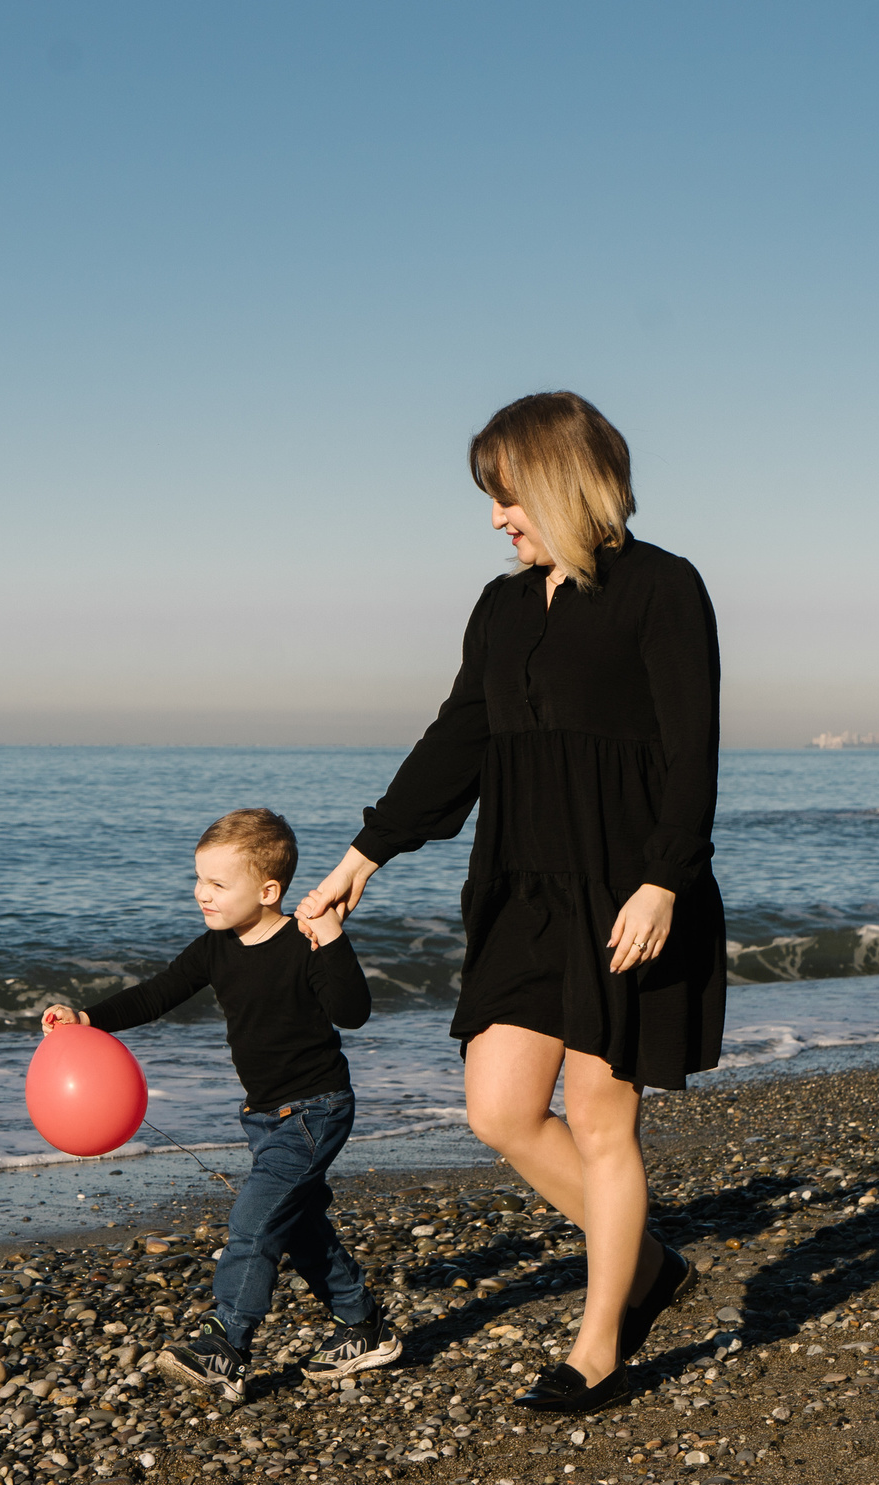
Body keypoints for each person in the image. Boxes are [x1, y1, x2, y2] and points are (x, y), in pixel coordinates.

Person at [297, 391, 725, 1415]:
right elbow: (458, 742)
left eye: (506, 495)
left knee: (599, 1122)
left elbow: (692, 749)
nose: (496, 517)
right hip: (520, 889)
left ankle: (597, 1346)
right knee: (496, 1109)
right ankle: (648, 1267)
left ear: (561, 481)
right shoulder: (498, 609)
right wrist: (366, 854)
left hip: (626, 890)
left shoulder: (662, 589)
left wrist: (665, 877)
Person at [43, 807, 399, 1405]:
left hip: (315, 1110)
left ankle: (226, 1346)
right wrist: (88, 1019)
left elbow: (353, 1011)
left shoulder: (305, 943)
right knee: (298, 1226)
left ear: (267, 891)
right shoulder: (214, 949)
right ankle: (363, 1324)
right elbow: (156, 994)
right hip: (263, 1116)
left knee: (253, 1224)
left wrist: (334, 938)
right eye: (199, 880)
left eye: (216, 884)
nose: (200, 893)